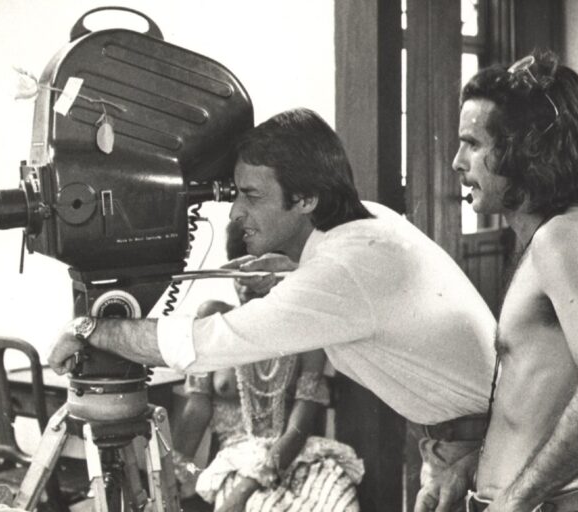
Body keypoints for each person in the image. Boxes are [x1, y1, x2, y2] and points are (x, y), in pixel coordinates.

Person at [49, 107, 498, 510]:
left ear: (306, 199)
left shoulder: (340, 271)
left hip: (487, 444)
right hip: (462, 438)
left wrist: (90, 328)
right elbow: (353, 286)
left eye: (252, 195)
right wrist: (292, 269)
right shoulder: (365, 222)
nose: (235, 213)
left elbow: (202, 344)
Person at [452, 50, 578, 511]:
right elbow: (537, 408)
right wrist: (469, 470)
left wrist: (515, 501)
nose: (458, 162)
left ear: (525, 151)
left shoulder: (563, 239)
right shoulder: (559, 236)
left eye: (473, 144)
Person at [171, 222, 364, 511]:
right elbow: (196, 411)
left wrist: (247, 488)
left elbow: (300, 426)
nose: (246, 283)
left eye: (258, 274)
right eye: (239, 273)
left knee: (340, 500)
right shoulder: (215, 317)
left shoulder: (308, 330)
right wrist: (175, 475)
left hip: (296, 457)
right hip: (232, 461)